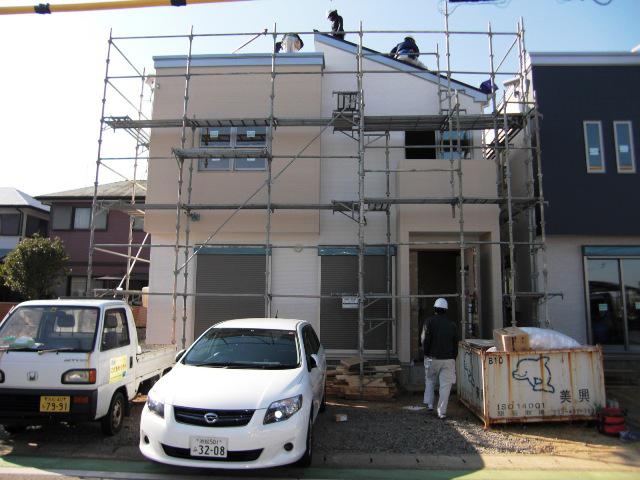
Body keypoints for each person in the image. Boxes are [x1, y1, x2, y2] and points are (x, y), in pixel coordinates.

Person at [420, 298, 459, 419]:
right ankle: (441, 412)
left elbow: (424, 340)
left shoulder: (429, 322)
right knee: (445, 386)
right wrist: (453, 357)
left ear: (435, 309)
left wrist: (426, 353)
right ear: (446, 310)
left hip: (432, 358)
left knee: (430, 380)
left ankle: (429, 404)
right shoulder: (452, 324)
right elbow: (455, 343)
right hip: (448, 359)